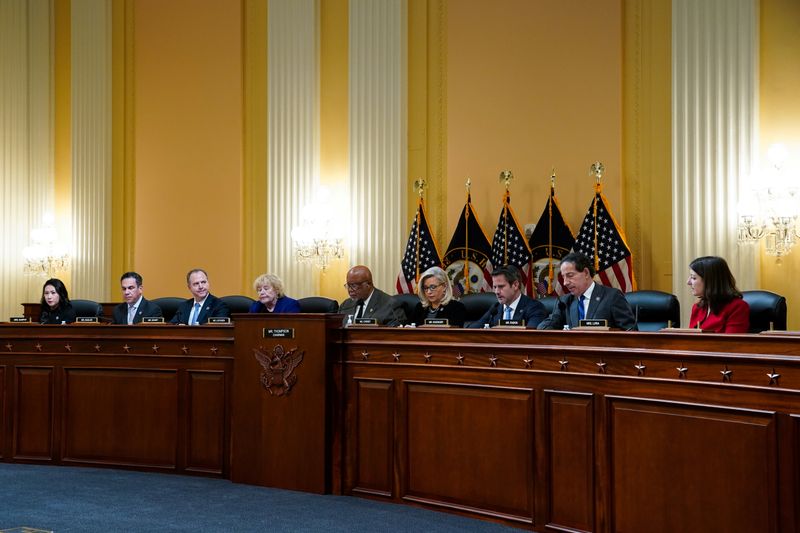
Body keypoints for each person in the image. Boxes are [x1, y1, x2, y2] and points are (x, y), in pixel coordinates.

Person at [537, 252, 637, 331]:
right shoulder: (565, 301)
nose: (565, 283)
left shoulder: (612, 297)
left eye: (570, 275)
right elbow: (544, 327)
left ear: (586, 273)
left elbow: (631, 332)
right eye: (563, 277)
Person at [467, 265, 547, 328]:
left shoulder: (534, 308)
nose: (496, 292)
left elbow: (531, 337)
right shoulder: (495, 309)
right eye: (495, 287)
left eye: (501, 286)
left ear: (515, 285)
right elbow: (471, 331)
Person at [687, 256, 749, 333]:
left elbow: (732, 343)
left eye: (693, 278)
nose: (688, 282)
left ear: (710, 281)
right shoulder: (697, 308)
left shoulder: (737, 307)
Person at [339, 265, 406, 326]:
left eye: (354, 286)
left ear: (368, 285)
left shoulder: (390, 305)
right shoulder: (345, 305)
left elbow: (395, 334)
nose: (350, 290)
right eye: (348, 285)